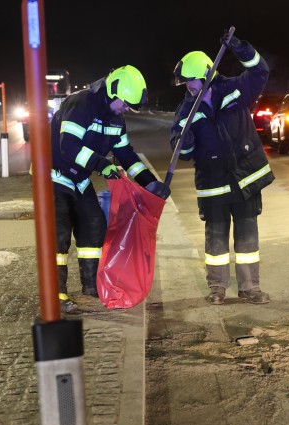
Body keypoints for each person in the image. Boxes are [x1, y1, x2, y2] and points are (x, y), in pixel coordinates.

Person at [50, 65, 171, 313]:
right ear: (112, 91)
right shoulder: (81, 104)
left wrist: (149, 182)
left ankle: (91, 286)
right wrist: (101, 165)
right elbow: (68, 147)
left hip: (80, 180)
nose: (126, 109)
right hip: (53, 177)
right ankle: (56, 295)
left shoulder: (116, 118)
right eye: (125, 104)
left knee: (94, 227)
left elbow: (125, 154)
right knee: (59, 238)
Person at [170, 34, 274, 305]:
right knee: (215, 242)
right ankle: (217, 288)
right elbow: (181, 151)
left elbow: (260, 70)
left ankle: (250, 287)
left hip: (244, 180)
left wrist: (240, 48)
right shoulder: (185, 111)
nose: (188, 87)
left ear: (206, 74)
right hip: (213, 184)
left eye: (190, 81)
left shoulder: (234, 90)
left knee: (247, 238)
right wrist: (185, 143)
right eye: (185, 83)